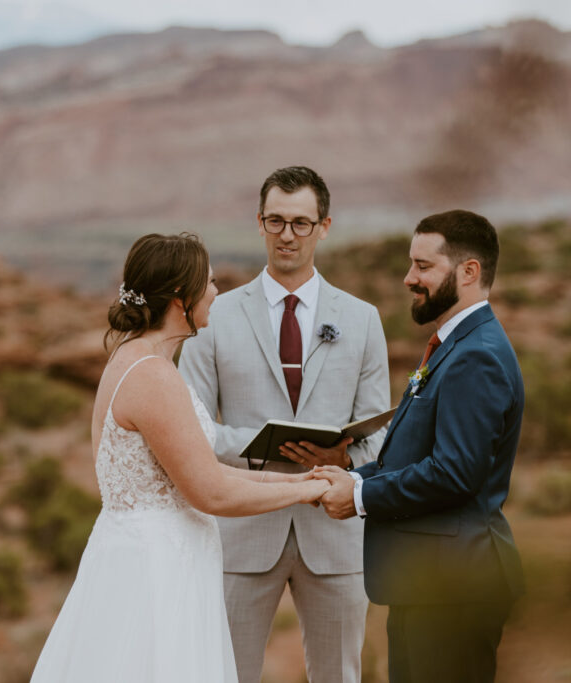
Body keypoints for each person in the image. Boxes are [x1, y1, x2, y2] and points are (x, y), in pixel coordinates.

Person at [30, 233, 331, 683]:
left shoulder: (138, 359)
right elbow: (211, 491)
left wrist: (303, 480)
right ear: (180, 298)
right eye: (208, 283)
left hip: (146, 554)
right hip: (155, 571)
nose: (216, 292)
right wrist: (306, 494)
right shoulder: (152, 376)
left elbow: (208, 472)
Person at [179, 166, 390, 683]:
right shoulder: (214, 317)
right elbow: (192, 425)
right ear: (259, 223)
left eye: (300, 223)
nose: (287, 235)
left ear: (324, 226)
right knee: (224, 673)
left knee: (341, 675)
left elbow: (382, 433)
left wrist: (344, 458)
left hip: (335, 532)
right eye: (276, 221)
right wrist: (266, 446)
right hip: (242, 534)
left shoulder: (363, 319)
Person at [309, 210, 525, 683]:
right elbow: (415, 457)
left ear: (468, 272)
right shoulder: (454, 345)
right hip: (428, 583)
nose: (410, 278)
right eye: (412, 264)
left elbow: (455, 473)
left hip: (455, 589)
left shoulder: (477, 356)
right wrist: (352, 476)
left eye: (424, 266)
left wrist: (360, 498)